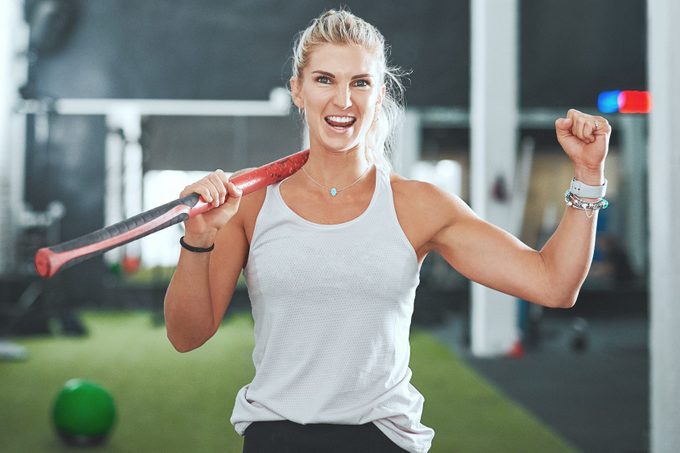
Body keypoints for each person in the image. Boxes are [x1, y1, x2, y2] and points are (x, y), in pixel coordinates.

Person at [163, 9, 610, 453]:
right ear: (298, 90)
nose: (343, 101)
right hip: (276, 436)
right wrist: (198, 238)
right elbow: (187, 335)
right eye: (324, 80)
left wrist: (588, 174)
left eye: (360, 82)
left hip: (381, 439)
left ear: (379, 95)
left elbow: (553, 283)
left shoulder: (417, 206)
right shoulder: (253, 202)